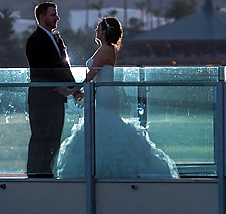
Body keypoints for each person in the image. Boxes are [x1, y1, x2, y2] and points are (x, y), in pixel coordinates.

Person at [55, 17, 180, 179]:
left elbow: (92, 73)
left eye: (99, 28)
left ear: (105, 32)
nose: (96, 31)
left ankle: (103, 170)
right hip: (104, 92)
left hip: (105, 94)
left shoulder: (105, 49)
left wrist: (73, 89)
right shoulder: (106, 49)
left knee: (104, 127)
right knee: (104, 126)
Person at [25, 1, 81, 178]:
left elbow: (64, 66)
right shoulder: (35, 40)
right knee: (40, 136)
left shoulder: (57, 38)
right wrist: (57, 87)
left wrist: (74, 89)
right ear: (42, 17)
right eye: (53, 14)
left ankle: (48, 172)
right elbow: (40, 70)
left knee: (54, 137)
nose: (57, 17)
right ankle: (35, 174)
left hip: (57, 99)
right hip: (41, 98)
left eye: (56, 14)